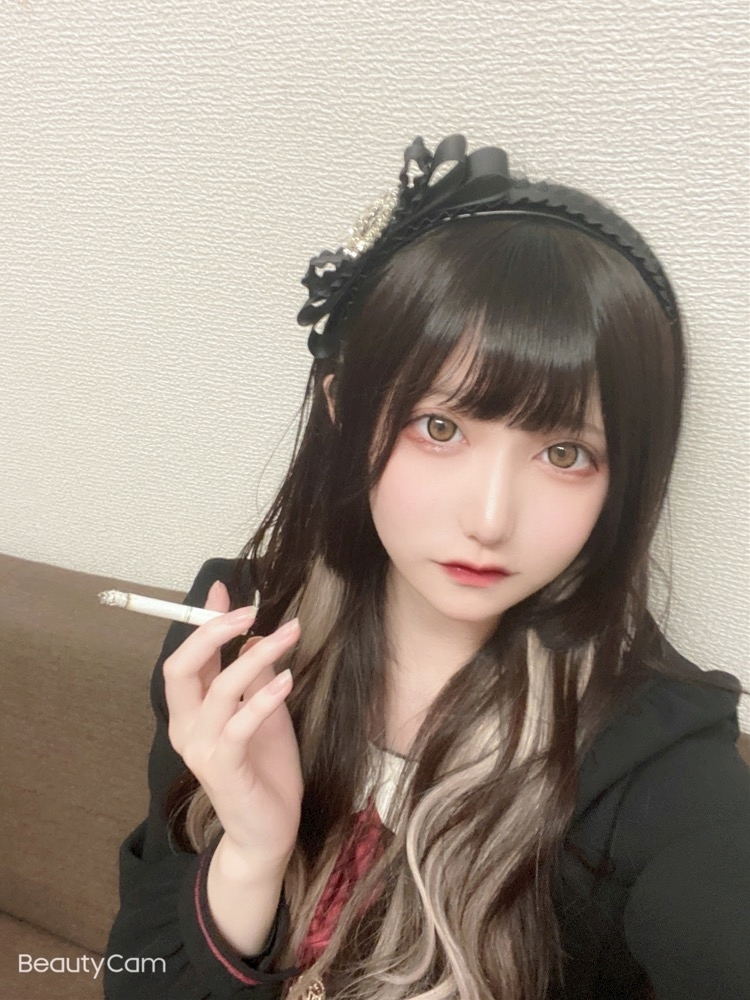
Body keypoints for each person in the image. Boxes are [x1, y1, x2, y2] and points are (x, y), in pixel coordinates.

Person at [104, 134, 750, 1000]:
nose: (489, 520)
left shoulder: (652, 763)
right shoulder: (236, 637)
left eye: (566, 452)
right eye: (439, 428)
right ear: (344, 410)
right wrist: (253, 856)